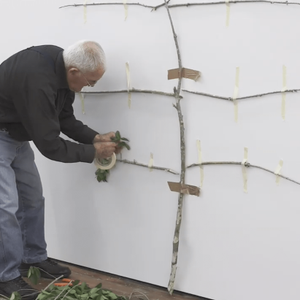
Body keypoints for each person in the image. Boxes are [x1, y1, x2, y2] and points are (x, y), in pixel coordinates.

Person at [0, 40, 121, 300]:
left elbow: (63, 118)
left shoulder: (61, 66)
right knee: (5, 206)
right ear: (75, 71)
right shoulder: (38, 82)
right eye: (90, 82)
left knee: (32, 197)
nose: (90, 87)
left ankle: (32, 258)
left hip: (15, 134)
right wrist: (93, 154)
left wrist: (94, 137)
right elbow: (50, 146)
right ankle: (6, 277)